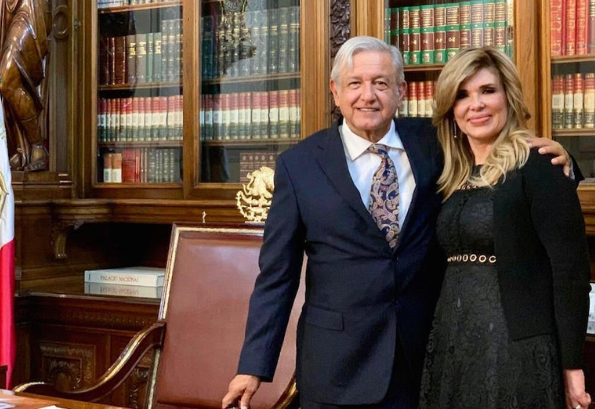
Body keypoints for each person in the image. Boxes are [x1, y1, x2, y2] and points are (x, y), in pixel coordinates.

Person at [222, 37, 571, 409]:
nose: (368, 96)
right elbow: (277, 277)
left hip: (425, 360)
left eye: (381, 83)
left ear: (401, 91)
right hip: (336, 367)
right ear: (335, 91)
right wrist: (253, 367)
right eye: (355, 83)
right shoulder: (299, 166)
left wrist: (563, 161)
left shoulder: (438, 142)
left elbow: (504, 156)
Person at [419, 47, 592, 409]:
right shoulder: (449, 174)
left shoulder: (540, 165)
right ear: (451, 109)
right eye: (462, 95)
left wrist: (572, 364)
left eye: (488, 91)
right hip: (452, 342)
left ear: (508, 97)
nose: (476, 105)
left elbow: (571, 272)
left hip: (516, 349)